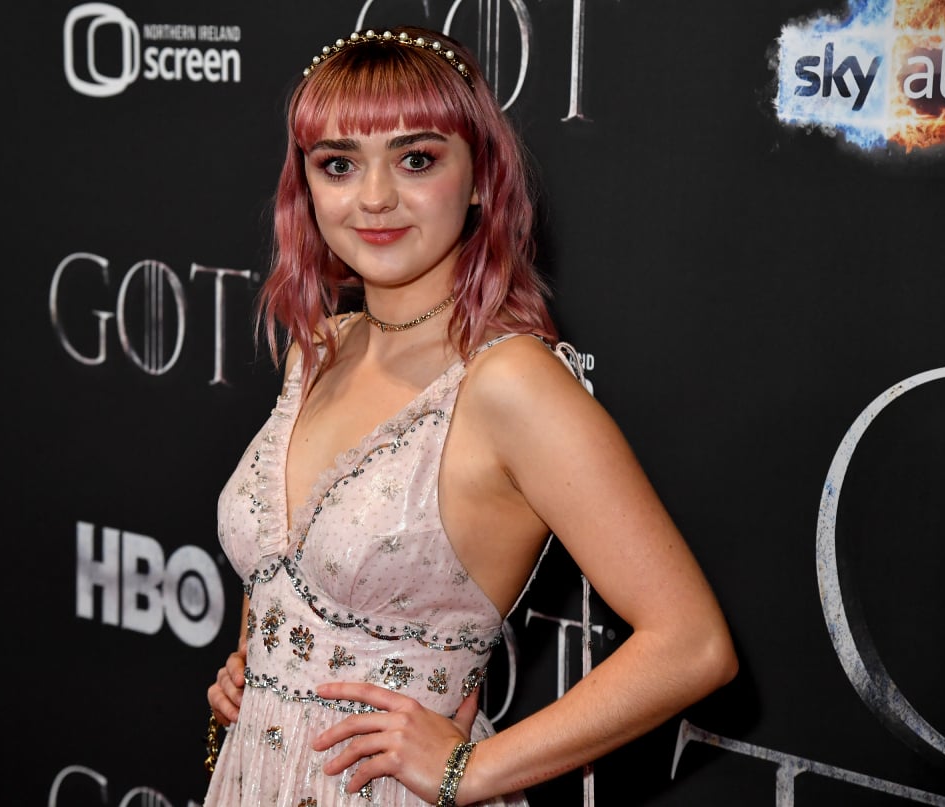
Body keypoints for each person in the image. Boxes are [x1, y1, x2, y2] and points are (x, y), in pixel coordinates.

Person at [205, 24, 737, 807]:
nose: (374, 197)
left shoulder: (509, 384)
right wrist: (258, 661)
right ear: (307, 185)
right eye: (339, 163)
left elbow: (693, 644)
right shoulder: (317, 349)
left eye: (416, 159)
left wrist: (471, 769)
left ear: (482, 174)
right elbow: (285, 560)